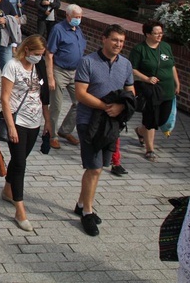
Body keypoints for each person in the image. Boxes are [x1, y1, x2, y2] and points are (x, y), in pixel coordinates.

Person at [74, 24, 135, 237]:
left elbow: (131, 93)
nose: (118, 44)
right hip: (89, 121)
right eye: (114, 40)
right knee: (95, 168)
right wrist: (105, 107)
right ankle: (88, 212)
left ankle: (82, 203)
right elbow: (81, 94)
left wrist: (120, 108)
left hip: (112, 123)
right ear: (104, 39)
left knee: (99, 167)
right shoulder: (88, 62)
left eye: (121, 41)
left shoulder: (126, 64)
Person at [0, 34, 50, 232]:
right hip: (17, 120)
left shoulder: (39, 67)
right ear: (27, 49)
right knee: (21, 163)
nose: (39, 57)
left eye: (41, 54)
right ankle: (20, 208)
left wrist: (47, 121)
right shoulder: (12, 66)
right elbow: (5, 98)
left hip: (34, 120)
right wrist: (11, 125)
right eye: (36, 53)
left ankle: (7, 188)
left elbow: (43, 95)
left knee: (19, 158)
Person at [129, 20, 180, 162]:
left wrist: (177, 82)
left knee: (162, 119)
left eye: (161, 33)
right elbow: (132, 68)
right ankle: (150, 149)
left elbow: (172, 65)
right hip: (151, 91)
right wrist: (146, 78)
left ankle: (140, 131)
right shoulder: (140, 49)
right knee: (151, 120)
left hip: (167, 90)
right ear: (147, 34)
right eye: (156, 33)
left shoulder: (165, 47)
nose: (159, 36)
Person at [46, 4, 87, 149]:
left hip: (75, 72)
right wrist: (50, 76)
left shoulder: (78, 30)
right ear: (68, 16)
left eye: (80, 17)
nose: (79, 19)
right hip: (59, 70)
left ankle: (65, 130)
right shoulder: (58, 29)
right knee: (56, 105)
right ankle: (52, 135)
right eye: (76, 17)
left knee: (80, 102)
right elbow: (49, 54)